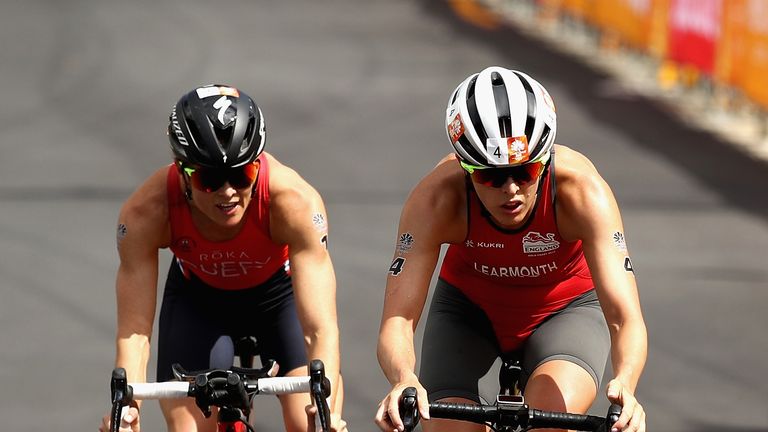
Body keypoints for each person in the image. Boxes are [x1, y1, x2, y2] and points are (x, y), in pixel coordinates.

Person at [375, 67, 647, 432]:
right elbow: (398, 319)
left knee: (548, 420)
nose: (511, 190)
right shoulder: (437, 199)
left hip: (565, 310)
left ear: (545, 161)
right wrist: (403, 378)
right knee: (444, 425)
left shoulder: (582, 192)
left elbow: (624, 316)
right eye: (491, 176)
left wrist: (627, 384)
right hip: (470, 309)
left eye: (526, 171)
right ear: (466, 169)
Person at [99, 84, 344, 432]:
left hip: (279, 299)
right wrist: (128, 409)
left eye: (242, 175)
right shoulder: (147, 212)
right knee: (189, 427)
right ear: (182, 171)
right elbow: (135, 333)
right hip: (199, 302)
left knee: (309, 422)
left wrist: (326, 409)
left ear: (258, 165)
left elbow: (320, 329)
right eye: (209, 179)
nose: (228, 192)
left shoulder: (294, 202)